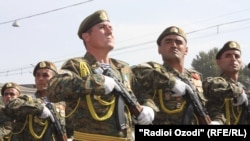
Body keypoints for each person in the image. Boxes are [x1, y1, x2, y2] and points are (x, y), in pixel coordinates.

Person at [47, 9, 154, 141]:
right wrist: (97, 82)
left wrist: (148, 108)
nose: (110, 32)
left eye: (110, 28)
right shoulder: (76, 65)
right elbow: (53, 88)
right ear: (86, 36)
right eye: (102, 28)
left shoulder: (123, 69)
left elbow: (142, 93)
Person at [131, 26, 209, 125]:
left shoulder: (196, 77)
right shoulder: (153, 71)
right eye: (168, 42)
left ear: (186, 50)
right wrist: (171, 82)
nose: (174, 45)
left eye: (179, 42)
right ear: (159, 49)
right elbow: (135, 72)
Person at [3, 61, 67, 141]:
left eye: (45, 75)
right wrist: (39, 108)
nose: (40, 78)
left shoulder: (63, 102)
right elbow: (10, 105)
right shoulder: (28, 99)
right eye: (37, 75)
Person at [202, 41, 249, 125]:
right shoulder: (213, 83)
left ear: (241, 62)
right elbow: (209, 84)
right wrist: (238, 91)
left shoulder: (244, 89)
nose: (233, 59)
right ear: (218, 62)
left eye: (237, 56)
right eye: (228, 56)